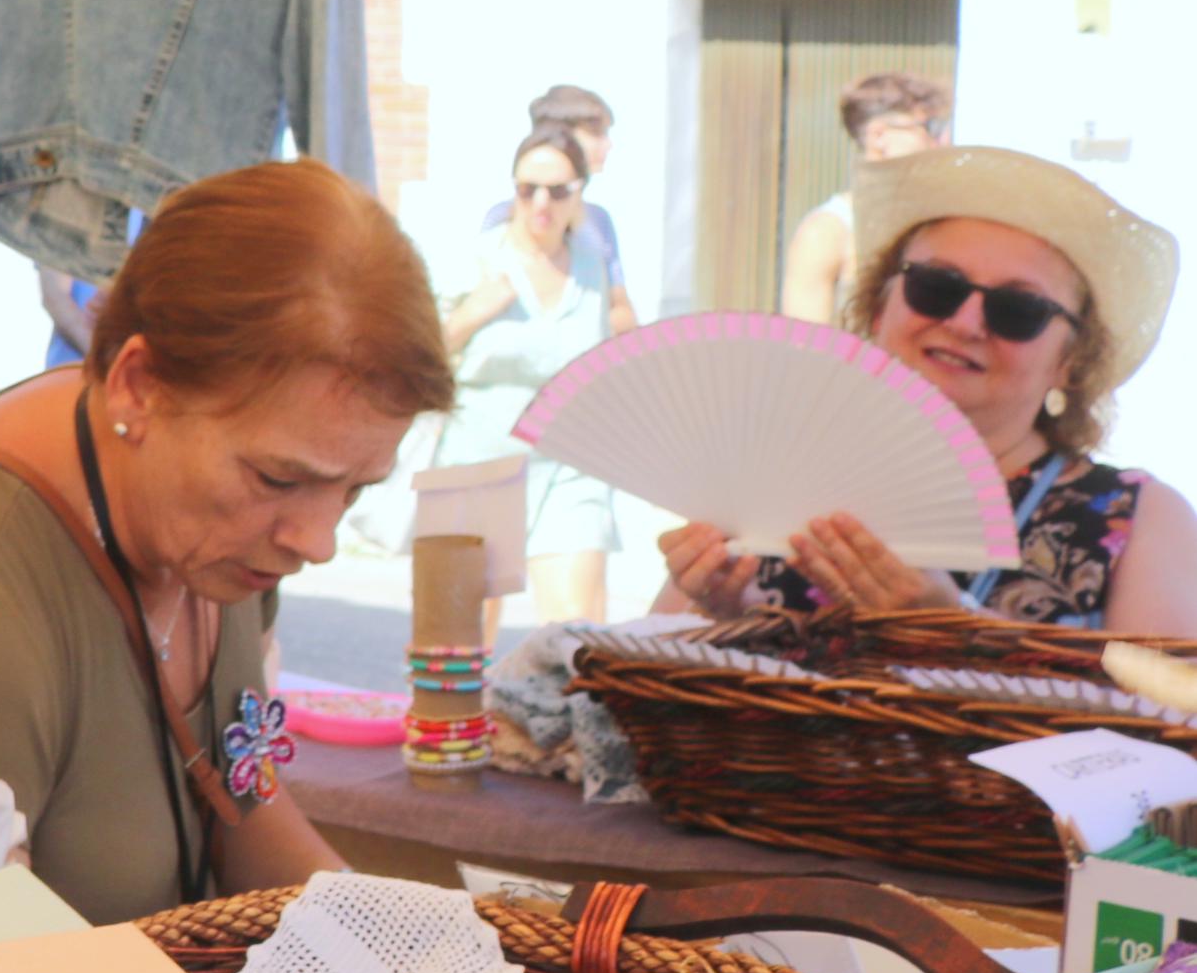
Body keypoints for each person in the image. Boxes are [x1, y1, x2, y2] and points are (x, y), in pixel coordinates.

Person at [0, 162, 450, 922]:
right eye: (279, 478)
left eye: (354, 488)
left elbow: (241, 800)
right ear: (138, 384)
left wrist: (421, 952)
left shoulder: (217, 532)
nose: (317, 540)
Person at [661, 145, 1193, 628]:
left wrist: (957, 630)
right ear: (877, 306)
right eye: (937, 287)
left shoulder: (1140, 517)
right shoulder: (770, 477)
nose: (965, 323)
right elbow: (623, 690)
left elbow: (1168, 717)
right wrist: (724, 617)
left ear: (1072, 362)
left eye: (1018, 310)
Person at [441, 122, 640, 626]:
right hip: (479, 458)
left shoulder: (594, 265)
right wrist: (473, 314)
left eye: (557, 191)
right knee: (458, 643)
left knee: (572, 631)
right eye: (526, 190)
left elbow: (614, 345)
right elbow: (420, 354)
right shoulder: (478, 256)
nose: (540, 204)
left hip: (570, 463)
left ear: (581, 195)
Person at [779, 70, 953, 323]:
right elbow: (802, 347)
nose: (942, 141)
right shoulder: (828, 230)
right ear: (879, 135)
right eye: (929, 128)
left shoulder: (938, 222)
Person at [479, 83, 625, 291]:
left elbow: (619, 305)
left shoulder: (598, 220)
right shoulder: (501, 217)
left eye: (559, 192)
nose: (608, 144)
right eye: (596, 133)